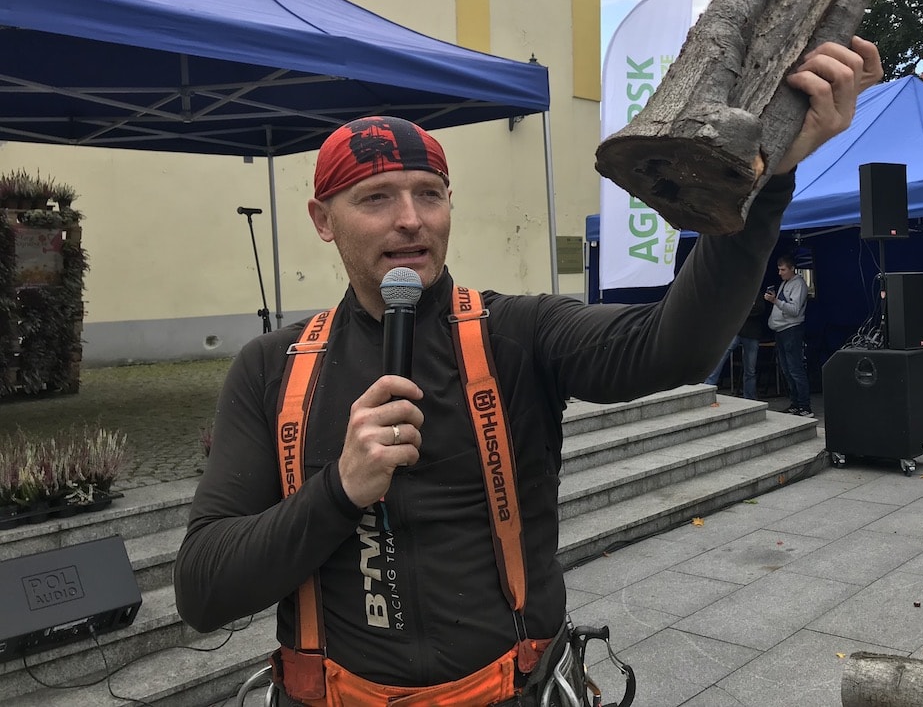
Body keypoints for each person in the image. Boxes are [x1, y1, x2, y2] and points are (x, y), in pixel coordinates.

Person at [174, 38, 881, 706]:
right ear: (323, 220)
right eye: (376, 197)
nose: (410, 220)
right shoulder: (273, 369)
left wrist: (767, 180)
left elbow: (675, 346)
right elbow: (203, 591)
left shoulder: (514, 334)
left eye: (429, 193)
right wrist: (338, 491)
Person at [765, 252, 811, 417]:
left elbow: (794, 310)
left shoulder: (798, 284)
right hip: (781, 330)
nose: (780, 273)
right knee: (786, 369)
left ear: (792, 269)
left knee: (795, 369)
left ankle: (805, 406)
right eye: (779, 269)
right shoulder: (785, 283)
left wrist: (775, 301)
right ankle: (795, 403)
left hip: (792, 330)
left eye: (783, 269)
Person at [704, 294, 767, 398]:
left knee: (750, 369)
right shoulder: (739, 292)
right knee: (721, 357)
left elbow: (759, 309)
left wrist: (740, 310)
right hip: (736, 331)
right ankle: (707, 387)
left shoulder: (756, 293)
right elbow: (729, 308)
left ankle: (750, 397)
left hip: (751, 333)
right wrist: (748, 308)